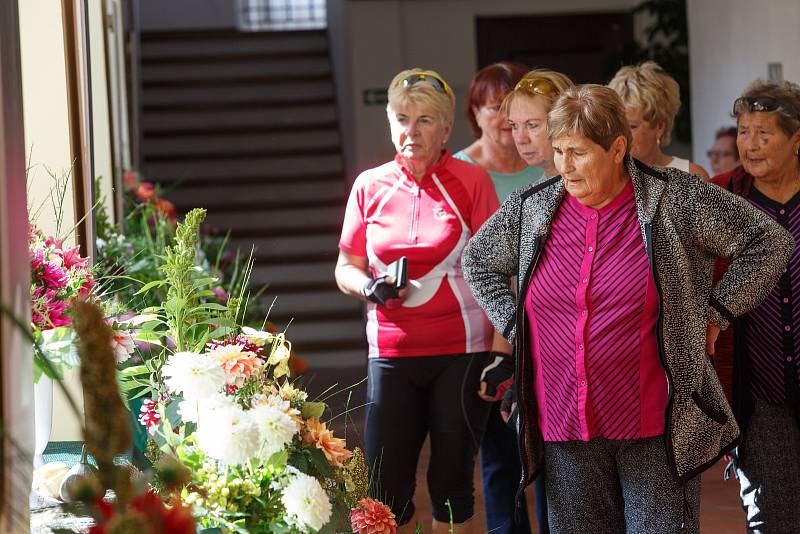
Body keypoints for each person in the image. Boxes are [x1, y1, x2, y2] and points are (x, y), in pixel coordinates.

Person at [462, 84, 793, 533]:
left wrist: (716, 312)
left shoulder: (675, 199)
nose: (565, 166)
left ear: (617, 147)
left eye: (577, 152)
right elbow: (478, 261)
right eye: (558, 152)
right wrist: (523, 331)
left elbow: (768, 240)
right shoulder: (534, 210)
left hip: (655, 425)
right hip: (565, 424)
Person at [335, 68, 499, 534]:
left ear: (447, 129)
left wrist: (503, 351)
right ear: (390, 123)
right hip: (390, 351)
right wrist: (368, 286)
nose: (412, 130)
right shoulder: (370, 185)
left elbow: (496, 270)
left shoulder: (472, 181)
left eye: (426, 120)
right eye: (402, 118)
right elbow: (345, 266)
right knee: (384, 489)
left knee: (451, 485)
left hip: (461, 350)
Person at [453, 62, 545, 534]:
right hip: (491, 328)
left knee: (552, 460)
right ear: (475, 112)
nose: (508, 122)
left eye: (518, 112)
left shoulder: (550, 165)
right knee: (501, 459)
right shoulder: (464, 171)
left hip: (550, 327)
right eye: (496, 109)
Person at [711, 79, 800, 532]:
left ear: (797, 138)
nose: (751, 144)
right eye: (744, 132)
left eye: (764, 133)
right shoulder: (723, 197)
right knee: (775, 521)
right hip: (759, 393)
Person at [608, 61, 710, 179]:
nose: (620, 136)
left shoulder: (691, 175)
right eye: (616, 126)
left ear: (660, 127)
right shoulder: (605, 178)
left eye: (632, 127)